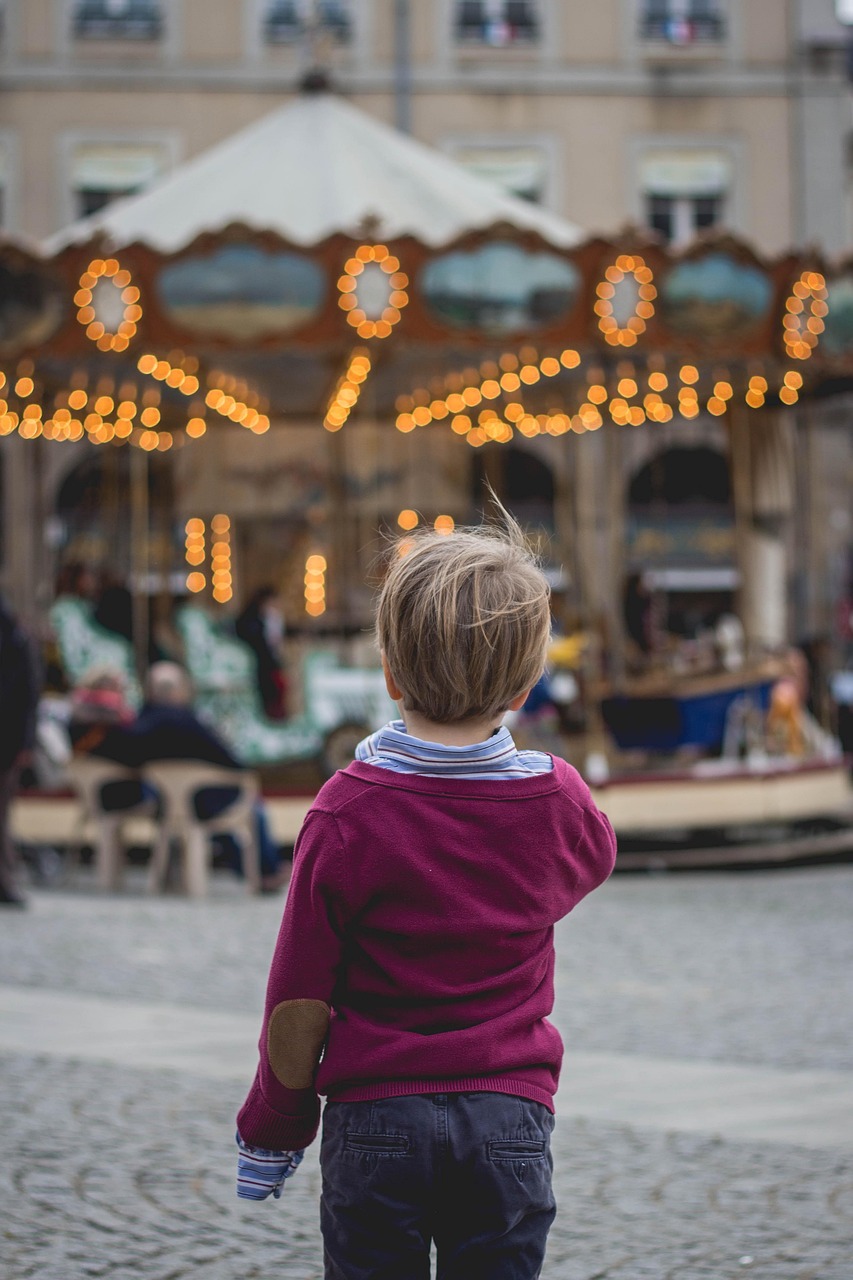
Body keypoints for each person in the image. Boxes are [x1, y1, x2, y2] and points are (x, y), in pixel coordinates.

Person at [234, 509, 617, 1277]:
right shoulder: (555, 799)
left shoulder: (347, 808)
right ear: (527, 679)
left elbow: (298, 993)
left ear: (388, 672)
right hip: (509, 1112)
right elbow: (592, 859)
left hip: (376, 1115)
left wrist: (274, 1125)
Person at [122, 663, 289, 892]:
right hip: (203, 803)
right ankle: (266, 872)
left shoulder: (139, 723)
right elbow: (231, 762)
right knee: (252, 809)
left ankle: (259, 874)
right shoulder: (188, 721)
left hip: (163, 804)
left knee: (221, 816)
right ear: (179, 690)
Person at [0, 595, 42, 907]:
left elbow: (26, 693)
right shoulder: (16, 635)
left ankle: (4, 878)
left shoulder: (14, 635)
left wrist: (24, 742)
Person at [235, 587, 287, 719]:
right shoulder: (252, 622)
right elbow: (264, 647)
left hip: (265, 665)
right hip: (260, 668)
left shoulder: (265, 620)